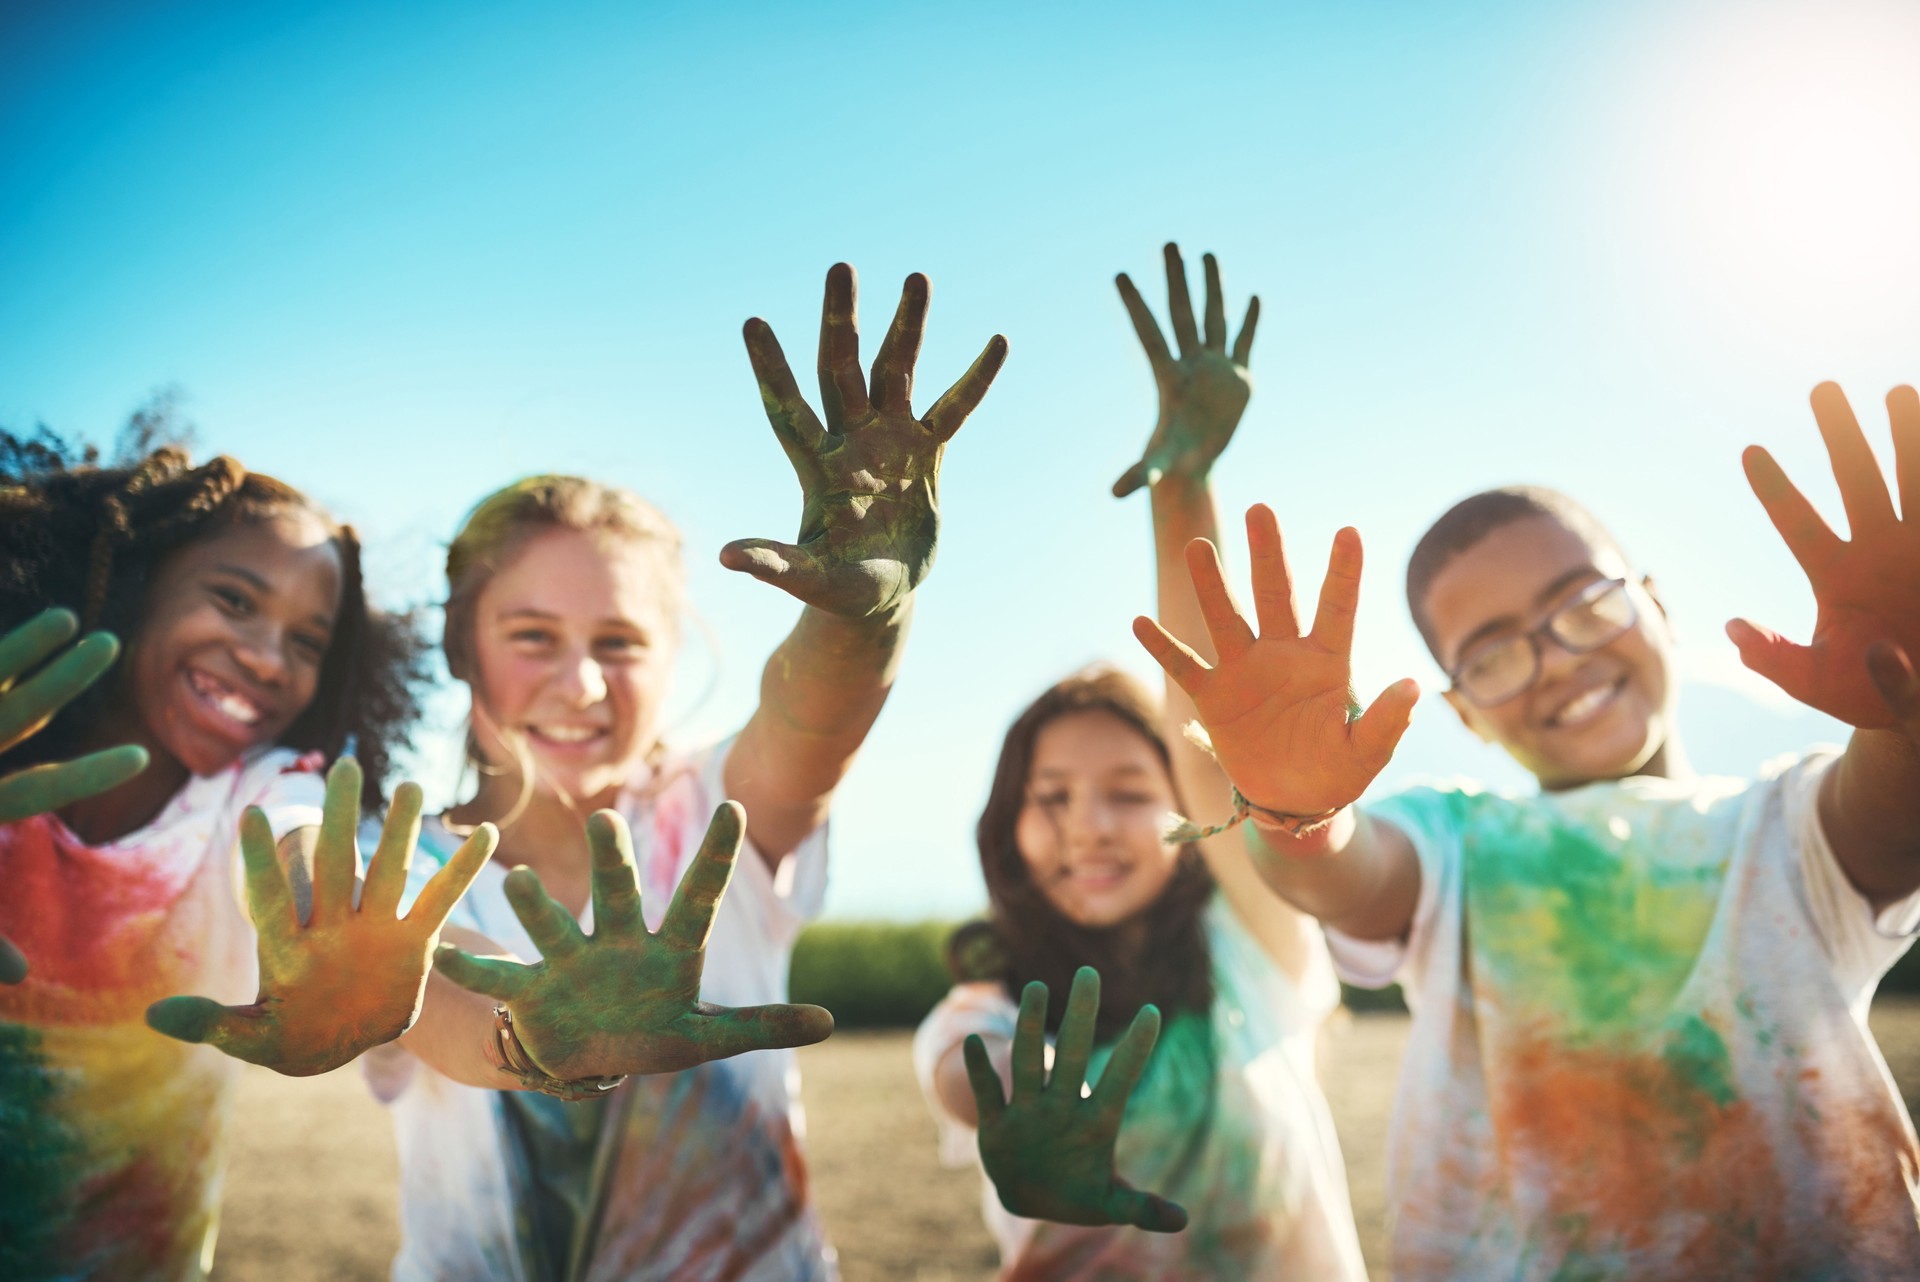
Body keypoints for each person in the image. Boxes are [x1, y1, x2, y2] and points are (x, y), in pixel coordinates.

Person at [1135, 382, 1920, 1278]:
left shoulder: (1787, 828)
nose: (1558, 660)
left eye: (1587, 603)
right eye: (1496, 652)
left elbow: (1894, 810)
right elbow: (1342, 873)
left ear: (1657, 606)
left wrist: (1907, 709)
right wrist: (1296, 811)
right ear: (1465, 714)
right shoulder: (1457, 843)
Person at [364, 261, 1008, 1281]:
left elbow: (813, 713)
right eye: (532, 634)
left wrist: (867, 617)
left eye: (620, 642)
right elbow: (422, 992)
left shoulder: (712, 814)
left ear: (674, 657)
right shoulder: (393, 856)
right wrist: (535, 1041)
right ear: (458, 643)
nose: (579, 682)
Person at [914, 247, 1368, 1279]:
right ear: (1008, 825)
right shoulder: (988, 1001)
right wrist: (1014, 1107)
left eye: (1130, 792)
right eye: (1053, 797)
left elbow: (1208, 723)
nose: (1091, 825)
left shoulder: (1255, 945)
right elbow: (959, 1073)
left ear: (1189, 816)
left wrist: (1185, 489)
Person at [0, 437, 489, 1280]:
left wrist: (542, 1024)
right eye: (233, 599)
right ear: (136, 588)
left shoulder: (260, 788)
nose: (267, 657)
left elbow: (305, 845)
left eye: (307, 641)